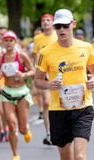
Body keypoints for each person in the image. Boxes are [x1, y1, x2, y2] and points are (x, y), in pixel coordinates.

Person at [35, 9, 94, 160]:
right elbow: (38, 81)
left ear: (73, 24)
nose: (61, 30)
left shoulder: (86, 47)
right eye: (57, 26)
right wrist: (49, 84)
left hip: (83, 107)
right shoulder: (46, 51)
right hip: (58, 109)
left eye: (65, 26)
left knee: (80, 158)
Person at [0, 31, 35, 160]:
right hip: (7, 92)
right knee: (12, 126)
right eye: (6, 40)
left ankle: (26, 129)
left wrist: (24, 75)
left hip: (22, 92)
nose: (8, 43)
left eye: (11, 40)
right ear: (3, 43)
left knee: (22, 129)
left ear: (15, 42)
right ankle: (15, 155)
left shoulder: (22, 56)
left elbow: (33, 71)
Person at [33, 13, 58, 145]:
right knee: (47, 102)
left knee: (60, 101)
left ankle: (60, 129)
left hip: (58, 72)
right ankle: (49, 133)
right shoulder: (38, 38)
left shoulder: (57, 35)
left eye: (48, 20)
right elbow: (36, 56)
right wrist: (37, 72)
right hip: (44, 73)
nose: (46, 22)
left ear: (53, 22)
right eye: (43, 20)